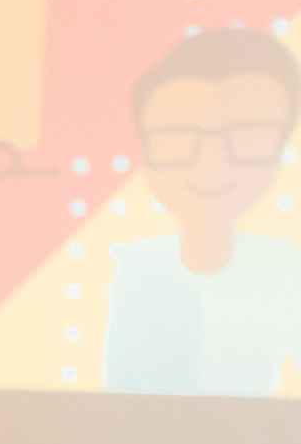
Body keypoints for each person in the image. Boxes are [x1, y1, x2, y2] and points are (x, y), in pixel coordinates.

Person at [103, 26, 301, 395]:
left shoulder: (283, 264)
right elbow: (121, 383)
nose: (212, 162)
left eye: (248, 134)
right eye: (177, 136)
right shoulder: (138, 265)